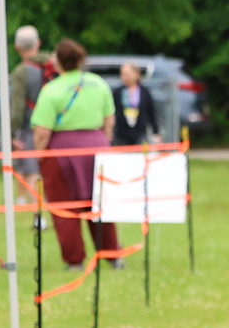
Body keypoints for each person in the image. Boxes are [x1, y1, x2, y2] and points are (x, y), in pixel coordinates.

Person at [29, 39, 120, 270]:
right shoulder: (98, 83)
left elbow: (42, 132)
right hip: (97, 147)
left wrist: (40, 155)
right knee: (100, 204)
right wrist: (102, 143)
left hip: (63, 152)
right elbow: (109, 121)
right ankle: (112, 255)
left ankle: (74, 260)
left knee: (65, 208)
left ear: (57, 61)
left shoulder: (52, 90)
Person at [9, 26, 54, 155]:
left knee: (31, 168)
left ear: (17, 47)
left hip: (31, 131)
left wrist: (11, 135)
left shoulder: (21, 72)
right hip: (56, 130)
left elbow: (18, 108)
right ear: (38, 43)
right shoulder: (55, 65)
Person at [112, 63, 158, 148]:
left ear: (137, 74)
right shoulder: (118, 92)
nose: (124, 77)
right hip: (121, 134)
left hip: (140, 133)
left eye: (127, 74)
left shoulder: (144, 92)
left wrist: (156, 131)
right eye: (122, 74)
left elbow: (151, 112)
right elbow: (111, 113)